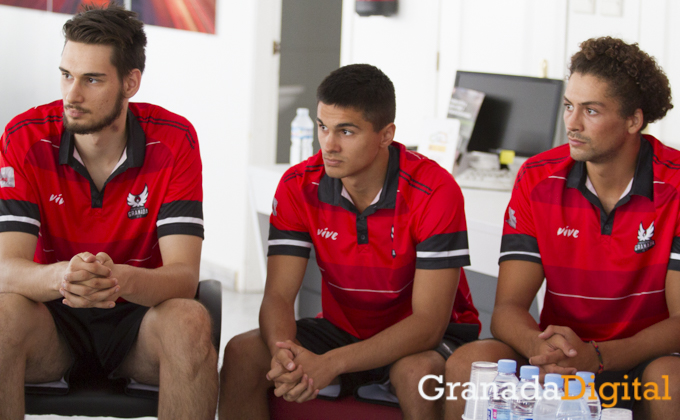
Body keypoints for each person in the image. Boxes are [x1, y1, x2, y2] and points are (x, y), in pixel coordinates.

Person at [219, 64, 480, 419]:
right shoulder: (299, 185)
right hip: (343, 330)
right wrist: (284, 351)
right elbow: (278, 296)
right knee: (242, 352)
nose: (329, 144)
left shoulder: (435, 191)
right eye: (323, 127)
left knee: (414, 373)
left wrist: (331, 363)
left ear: (386, 134)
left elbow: (428, 324)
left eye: (347, 131)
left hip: (425, 338)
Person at [444, 36, 679, 420]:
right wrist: (550, 353)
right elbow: (507, 310)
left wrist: (597, 357)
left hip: (640, 362)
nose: (571, 123)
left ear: (634, 120)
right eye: (569, 106)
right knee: (467, 366)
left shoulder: (677, 185)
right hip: (558, 360)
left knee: (672, 378)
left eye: (591, 111)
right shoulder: (537, 178)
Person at [0, 5, 216, 419]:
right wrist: (63, 276)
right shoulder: (24, 136)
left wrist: (117, 280)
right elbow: (6, 268)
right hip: (52, 320)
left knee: (190, 320)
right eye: (66, 75)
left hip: (139, 323)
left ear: (130, 83)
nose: (72, 95)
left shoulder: (174, 140)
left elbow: (184, 277)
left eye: (92, 80)